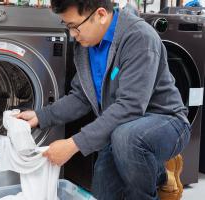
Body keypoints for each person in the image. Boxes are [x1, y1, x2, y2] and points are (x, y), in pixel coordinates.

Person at [14, 1, 191, 200]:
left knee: (127, 138)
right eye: (67, 27)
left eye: (75, 26)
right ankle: (161, 173)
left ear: (100, 15)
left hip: (166, 122)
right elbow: (82, 96)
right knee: (103, 193)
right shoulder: (86, 45)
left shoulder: (138, 36)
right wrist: (40, 116)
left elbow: (130, 107)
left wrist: (72, 145)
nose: (72, 34)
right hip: (121, 131)